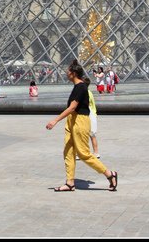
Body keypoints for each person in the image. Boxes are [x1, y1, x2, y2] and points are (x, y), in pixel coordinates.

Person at [46, 60, 117, 192]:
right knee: (68, 151)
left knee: (83, 153)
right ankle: (70, 182)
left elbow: (73, 107)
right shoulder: (77, 86)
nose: (66, 73)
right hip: (72, 120)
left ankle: (109, 174)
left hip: (80, 120)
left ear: (73, 73)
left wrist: (55, 121)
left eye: (68, 71)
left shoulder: (81, 87)